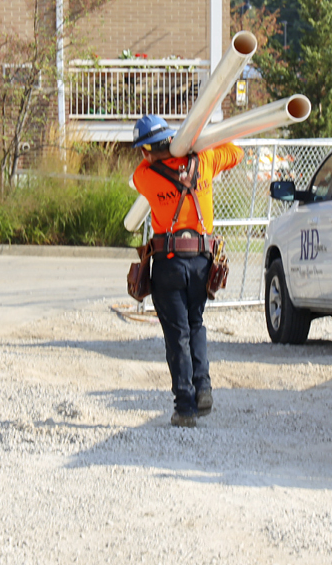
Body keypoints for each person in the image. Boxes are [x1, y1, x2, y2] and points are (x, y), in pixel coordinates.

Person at [131, 113, 242, 428]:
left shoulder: (147, 175)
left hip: (168, 262)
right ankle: (203, 387)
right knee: (195, 324)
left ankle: (185, 406)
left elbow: (138, 173)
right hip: (201, 261)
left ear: (145, 150)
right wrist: (196, 145)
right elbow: (236, 152)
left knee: (177, 333)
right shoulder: (204, 160)